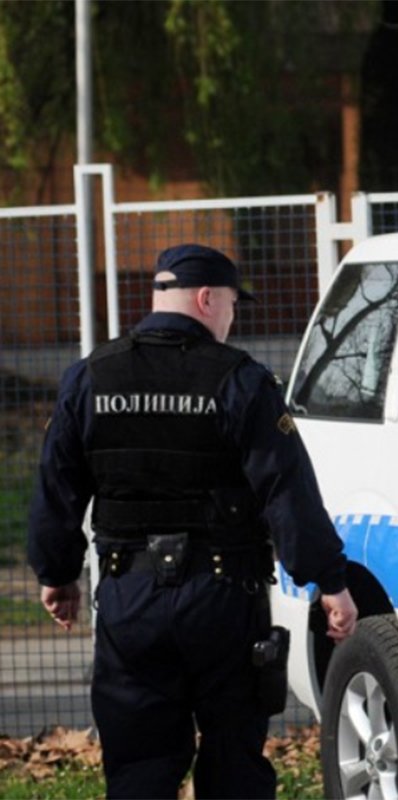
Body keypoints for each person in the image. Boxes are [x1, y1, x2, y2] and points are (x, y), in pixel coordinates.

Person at [27, 244, 358, 799]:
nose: (232, 316)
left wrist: (56, 574)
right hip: (224, 598)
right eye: (231, 304)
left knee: (138, 767)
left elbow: (56, 487)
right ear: (207, 299)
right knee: (234, 763)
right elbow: (287, 492)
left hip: (129, 598)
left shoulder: (90, 377)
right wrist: (330, 581)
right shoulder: (241, 380)